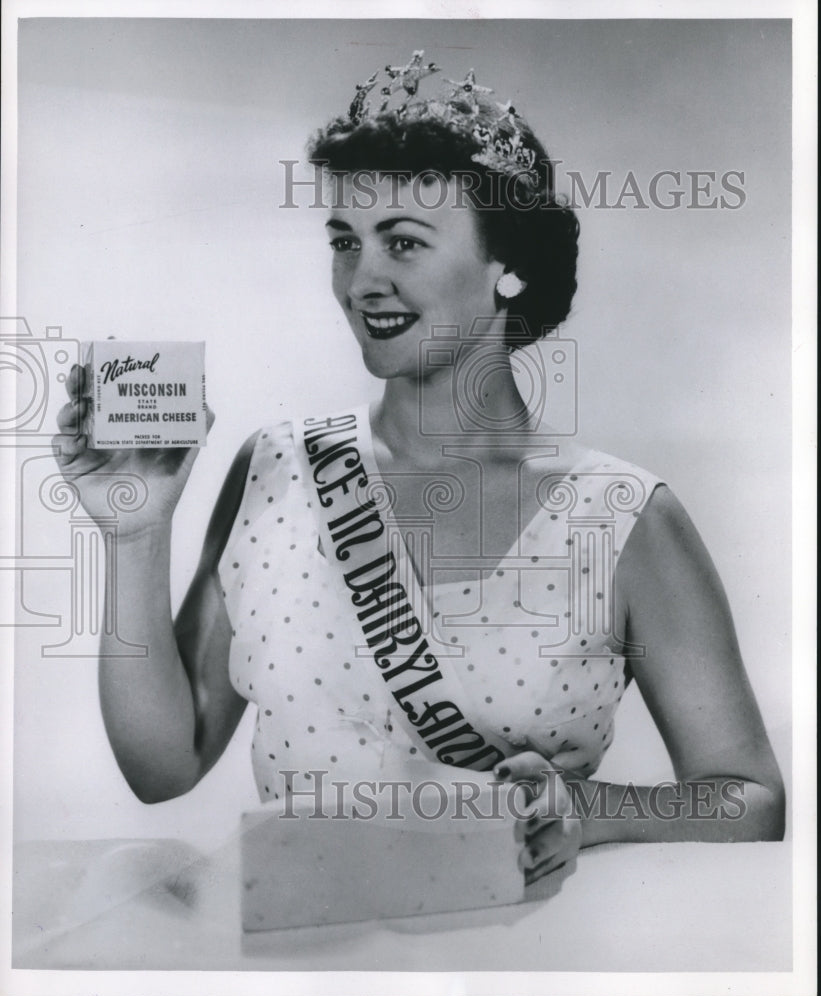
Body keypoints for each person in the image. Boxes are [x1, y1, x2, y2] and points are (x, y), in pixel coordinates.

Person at [53, 53, 784, 886]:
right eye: (344, 241)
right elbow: (163, 768)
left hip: (520, 955)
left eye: (403, 241)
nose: (362, 280)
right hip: (299, 951)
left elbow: (750, 799)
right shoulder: (278, 467)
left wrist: (590, 809)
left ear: (506, 264)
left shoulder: (619, 515)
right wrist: (134, 530)